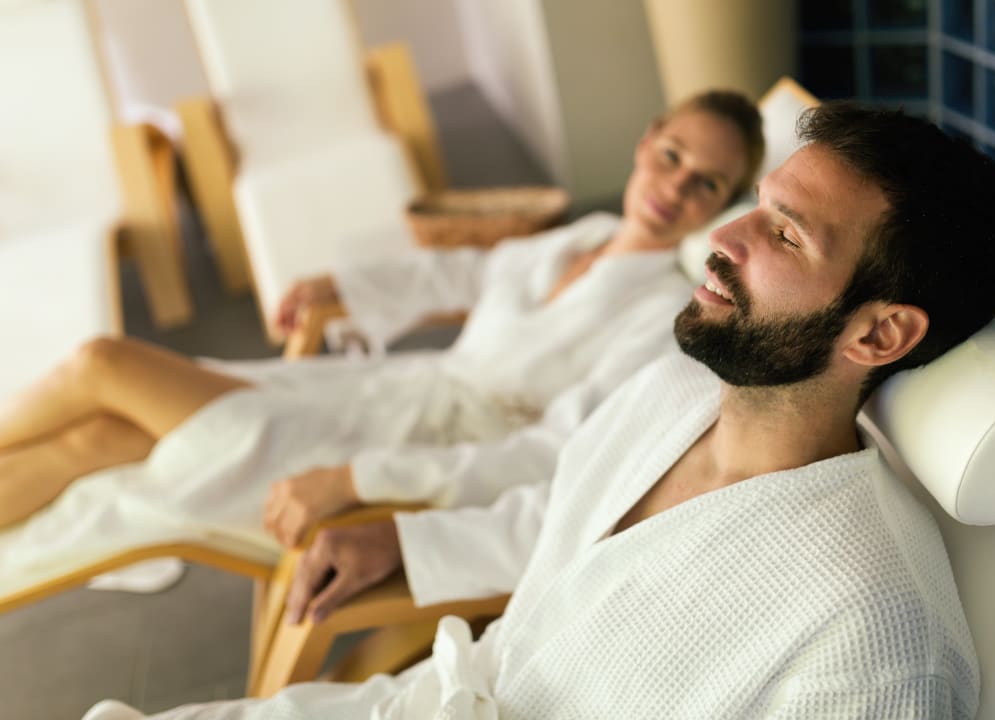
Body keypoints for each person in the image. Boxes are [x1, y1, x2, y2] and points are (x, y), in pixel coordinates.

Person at [84, 100, 995, 718]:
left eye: (782, 234)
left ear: (879, 334)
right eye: (756, 203)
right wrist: (404, 541)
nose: (721, 237)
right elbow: (562, 514)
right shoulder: (674, 389)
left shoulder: (871, 630)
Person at [0, 90, 763, 593]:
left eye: (704, 183)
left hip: (398, 450)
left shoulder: (659, 315)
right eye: (672, 155)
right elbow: (468, 271)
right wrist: (338, 285)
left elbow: (558, 454)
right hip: (372, 396)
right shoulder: (584, 236)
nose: (674, 187)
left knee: (103, 364)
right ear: (645, 141)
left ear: (721, 205)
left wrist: (358, 478)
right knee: (101, 436)